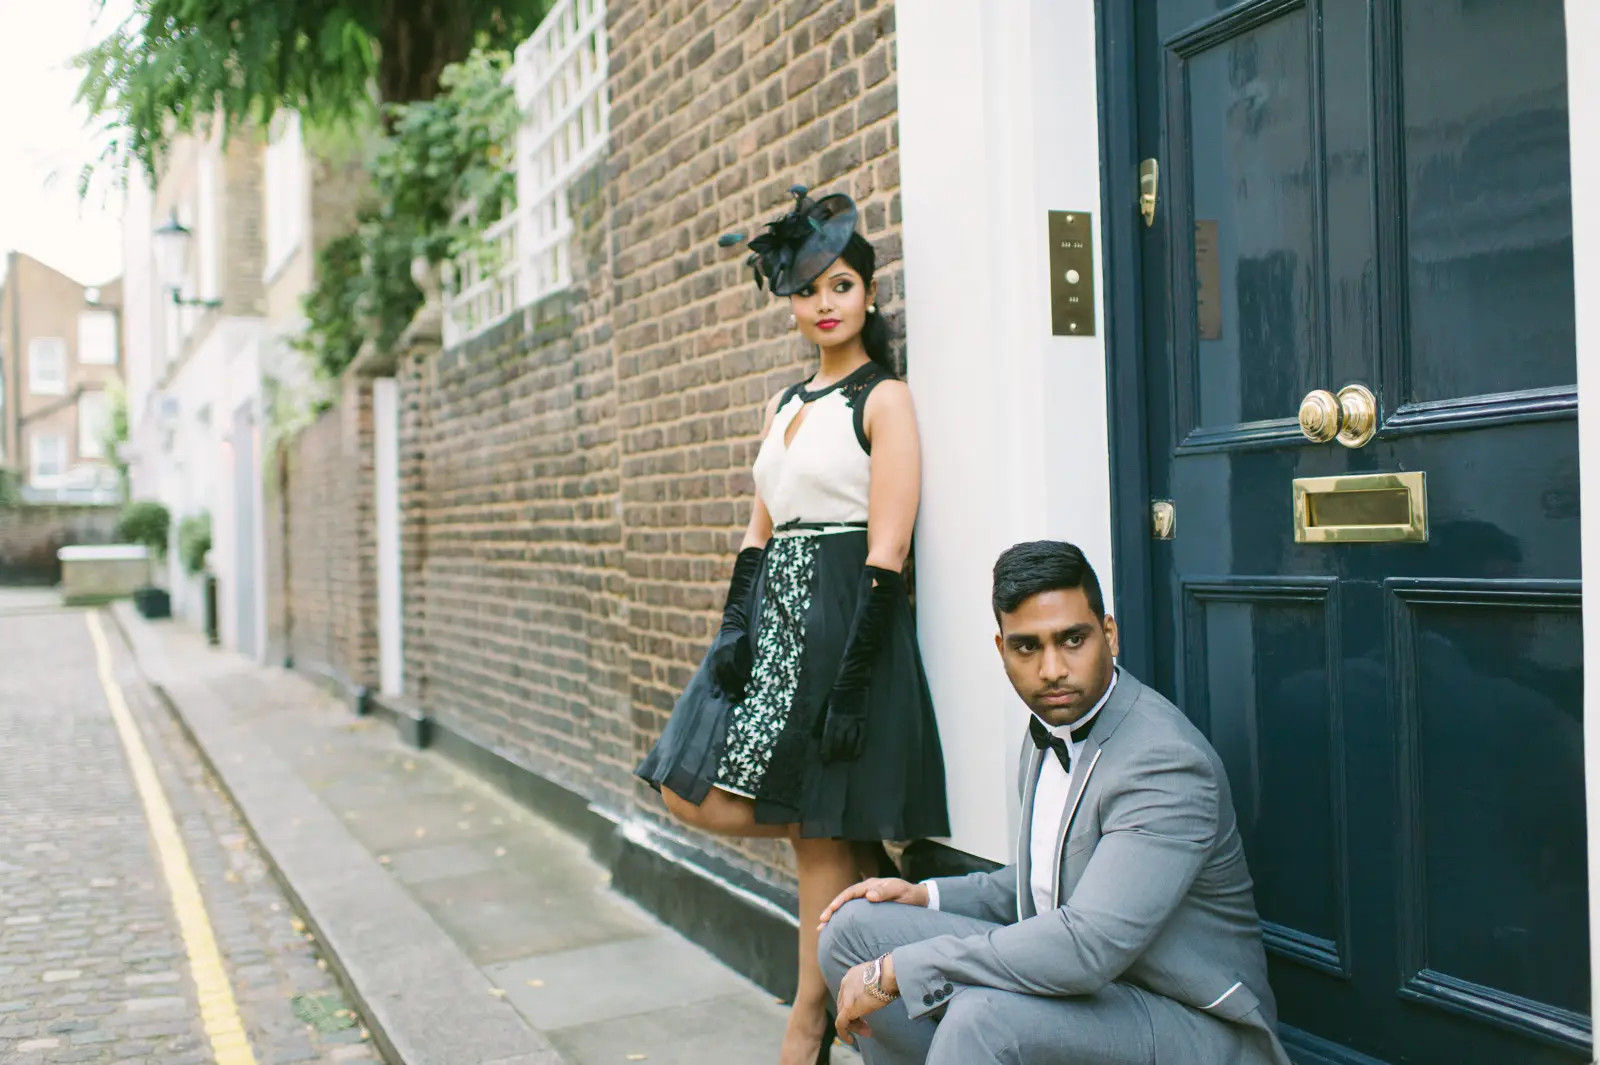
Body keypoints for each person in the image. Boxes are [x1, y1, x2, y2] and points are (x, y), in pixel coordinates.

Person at [635, 186, 950, 1065]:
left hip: (844, 620)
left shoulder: (884, 398)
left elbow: (889, 547)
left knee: (816, 818)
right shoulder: (782, 404)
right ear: (791, 305)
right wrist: (734, 627)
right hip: (774, 617)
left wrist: (852, 680)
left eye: (841, 285)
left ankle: (808, 1024)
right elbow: (758, 526)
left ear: (869, 295)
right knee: (688, 784)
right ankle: (859, 855)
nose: (825, 303)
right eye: (808, 290)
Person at [816, 541, 1291, 1065]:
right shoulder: (1049, 727)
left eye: (1072, 640)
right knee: (851, 931)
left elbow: (1086, 946)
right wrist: (926, 896)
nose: (1052, 670)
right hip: (1095, 996)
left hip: (1190, 1025)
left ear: (1109, 634)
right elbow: (1046, 883)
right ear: (1001, 649)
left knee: (982, 1018)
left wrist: (900, 969)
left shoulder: (1164, 762)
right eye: (1027, 647)